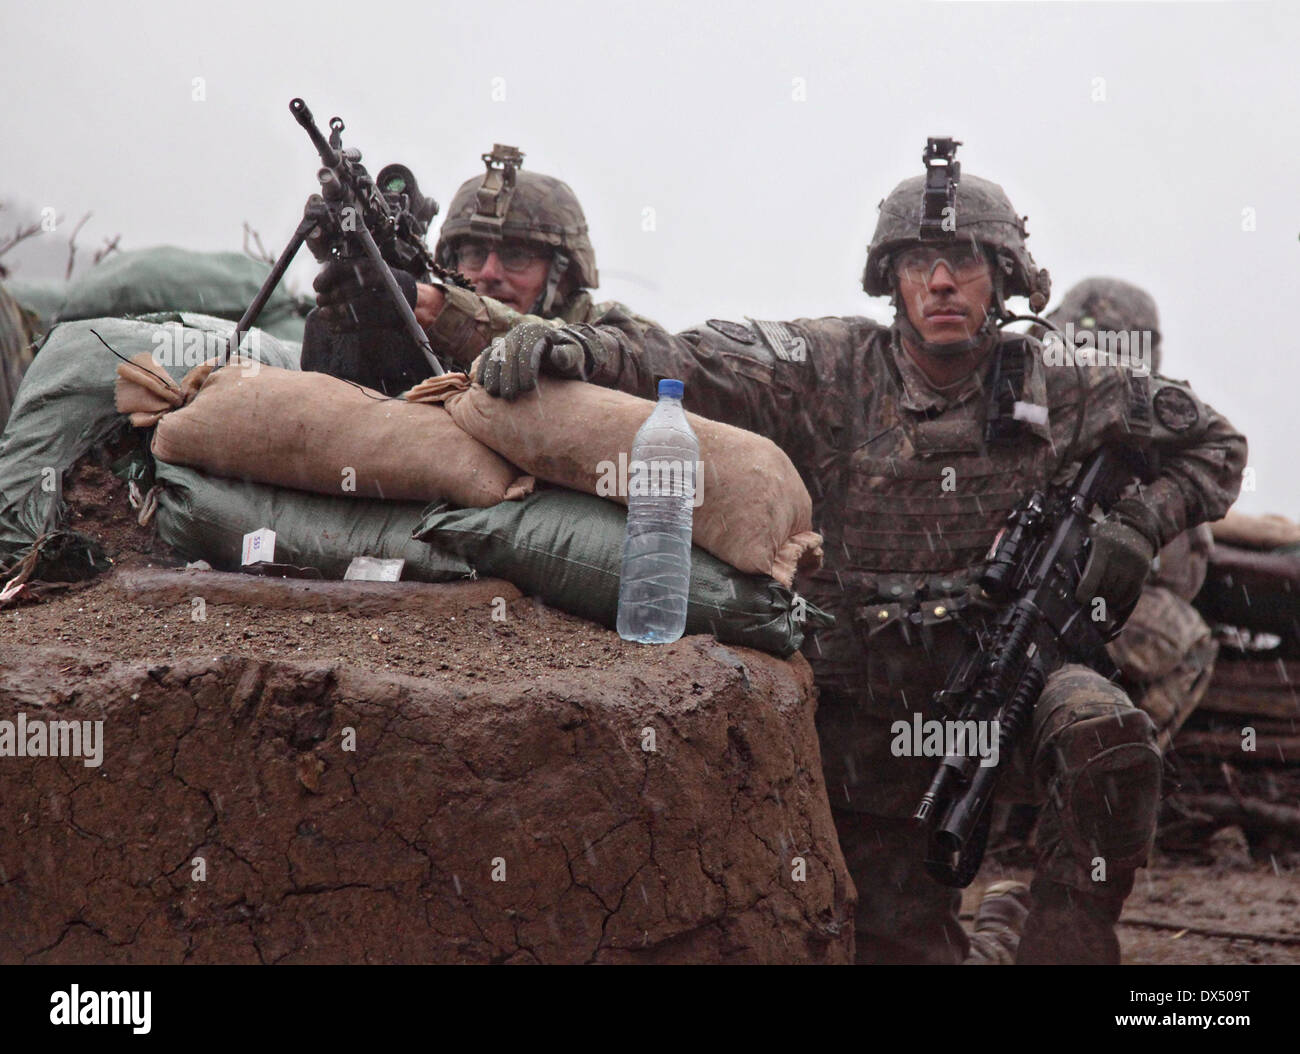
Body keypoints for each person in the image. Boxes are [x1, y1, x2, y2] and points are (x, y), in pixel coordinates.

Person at [472, 142, 1248, 964]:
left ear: (1004, 278)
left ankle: (1063, 941)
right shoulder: (830, 365)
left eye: (963, 261)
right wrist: (581, 349)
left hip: (1012, 697)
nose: (941, 282)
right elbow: (691, 360)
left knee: (1106, 738)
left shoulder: (1063, 384)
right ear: (890, 279)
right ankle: (997, 930)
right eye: (919, 263)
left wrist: (1140, 523)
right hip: (868, 726)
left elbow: (1218, 446)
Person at [307, 144, 651, 391]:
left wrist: (424, 302)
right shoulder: (428, 343)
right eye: (473, 253)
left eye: (516, 256)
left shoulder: (610, 331)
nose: (488, 272)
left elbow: (649, 361)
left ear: (563, 274)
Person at [1045, 278, 1218, 752]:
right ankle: (1135, 750)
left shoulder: (1066, 408)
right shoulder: (1142, 427)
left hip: (1067, 607)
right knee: (1193, 639)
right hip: (1080, 608)